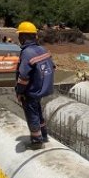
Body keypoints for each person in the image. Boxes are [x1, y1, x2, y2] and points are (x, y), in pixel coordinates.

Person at [15, 21, 55, 149]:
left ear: (23, 36)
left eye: (20, 35)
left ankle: (37, 141)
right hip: (41, 89)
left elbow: (23, 77)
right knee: (38, 111)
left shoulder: (27, 53)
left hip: (31, 91)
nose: (19, 38)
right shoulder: (42, 49)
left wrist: (20, 91)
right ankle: (43, 135)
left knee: (32, 114)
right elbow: (52, 66)